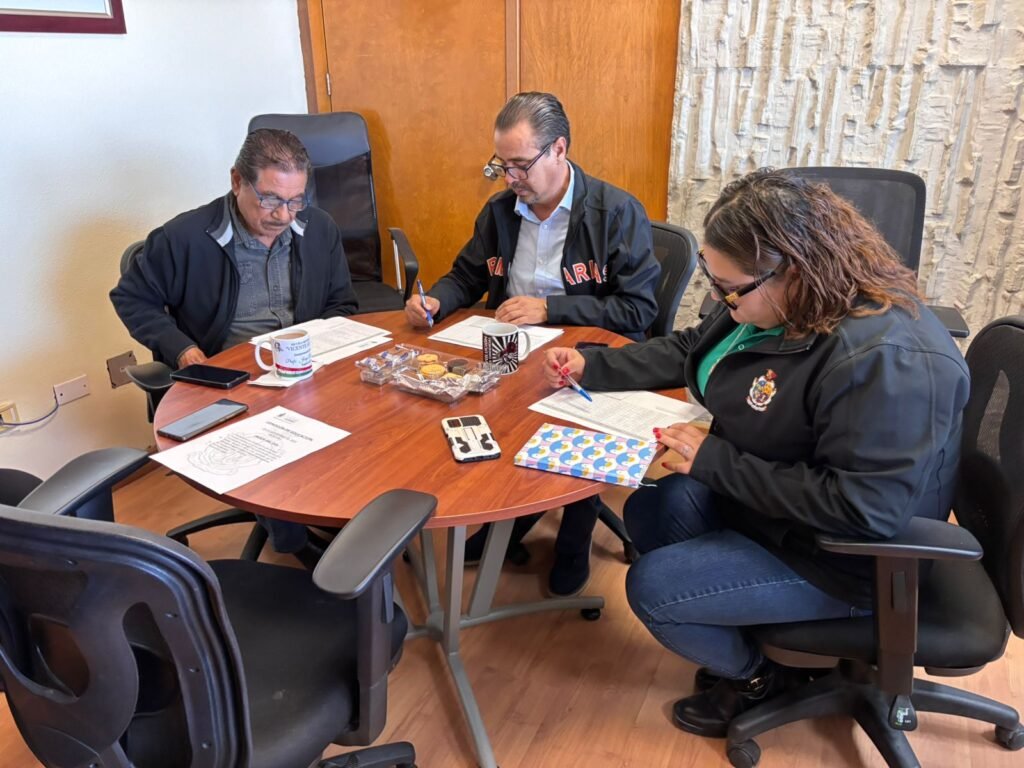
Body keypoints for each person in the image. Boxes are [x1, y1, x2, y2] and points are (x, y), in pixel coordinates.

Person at [542, 168, 969, 736]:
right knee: (653, 507)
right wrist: (592, 365)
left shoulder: (886, 361)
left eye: (730, 288)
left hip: (850, 560)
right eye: (713, 281)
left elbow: (863, 510)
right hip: (781, 513)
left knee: (653, 588)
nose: (721, 298)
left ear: (792, 268)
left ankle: (758, 678)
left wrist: (714, 461)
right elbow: (695, 347)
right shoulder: (777, 302)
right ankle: (754, 632)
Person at [406, 92, 662, 597]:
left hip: (588, 352)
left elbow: (637, 311)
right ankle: (510, 516)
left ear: (559, 149)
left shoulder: (615, 212)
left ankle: (574, 538)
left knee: (572, 423)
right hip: (511, 346)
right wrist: (435, 300)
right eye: (501, 165)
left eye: (520, 165)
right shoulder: (501, 211)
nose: (510, 178)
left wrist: (552, 309)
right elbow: (466, 275)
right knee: (478, 413)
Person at [111, 128, 358, 566]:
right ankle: (296, 543)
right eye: (270, 199)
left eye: (295, 200)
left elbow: (342, 302)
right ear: (237, 181)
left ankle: (344, 512)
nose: (284, 215)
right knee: (273, 440)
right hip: (229, 379)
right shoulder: (184, 238)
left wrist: (325, 346)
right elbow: (131, 297)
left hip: (304, 368)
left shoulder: (318, 228)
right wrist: (184, 350)